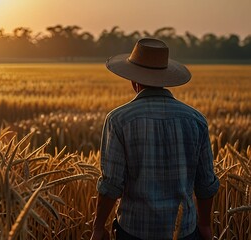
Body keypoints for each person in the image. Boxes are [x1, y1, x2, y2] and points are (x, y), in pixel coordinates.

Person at [91, 38, 220, 240]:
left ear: (134, 81)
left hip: (134, 232)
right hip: (184, 231)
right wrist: (204, 225)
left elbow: (111, 185)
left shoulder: (118, 120)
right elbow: (206, 184)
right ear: (165, 78)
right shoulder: (196, 120)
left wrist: (98, 227)